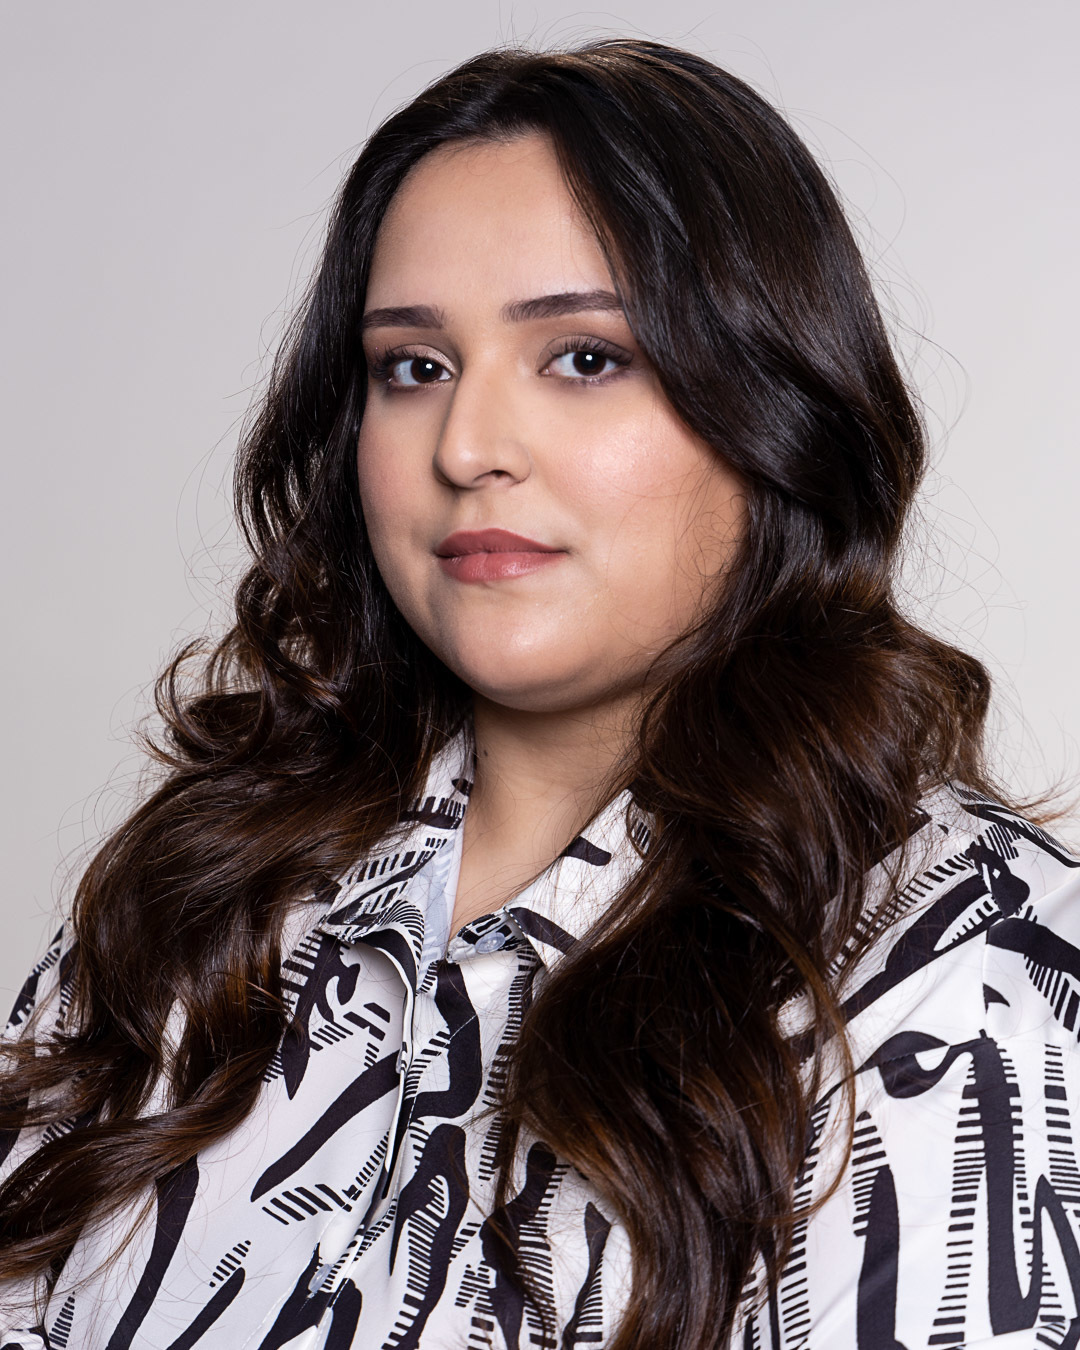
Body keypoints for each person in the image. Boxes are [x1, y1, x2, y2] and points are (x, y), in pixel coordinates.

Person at [1, 36, 1078, 1350]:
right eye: (413, 367)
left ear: (773, 406)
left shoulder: (956, 963)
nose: (467, 447)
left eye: (582, 357)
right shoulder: (208, 888)